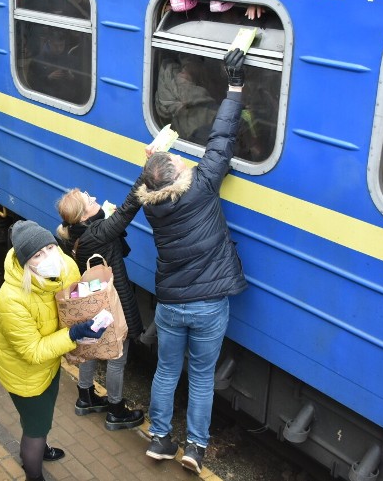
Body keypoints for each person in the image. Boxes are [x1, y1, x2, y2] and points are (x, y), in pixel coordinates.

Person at [137, 49, 249, 475]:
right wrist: (235, 87)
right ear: (177, 176)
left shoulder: (151, 205)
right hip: (208, 304)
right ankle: (195, 449)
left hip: (171, 304)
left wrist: (151, 163)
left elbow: (146, 184)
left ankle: (161, 439)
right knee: (201, 378)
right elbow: (220, 141)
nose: (186, 162)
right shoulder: (202, 188)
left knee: (167, 370)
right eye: (180, 163)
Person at [0, 220, 106, 481]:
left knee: (42, 418)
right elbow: (32, 352)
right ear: (25, 262)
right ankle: (33, 472)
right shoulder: (11, 300)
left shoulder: (63, 265)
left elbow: (75, 297)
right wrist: (74, 334)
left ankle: (40, 447)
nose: (49, 257)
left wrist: (94, 301)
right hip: (25, 374)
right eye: (37, 255)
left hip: (49, 363)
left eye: (50, 247)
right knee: (35, 428)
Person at [55, 176, 146, 431]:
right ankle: (116, 411)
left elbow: (98, 226)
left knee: (90, 346)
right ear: (84, 216)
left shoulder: (72, 233)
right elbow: (130, 207)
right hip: (112, 302)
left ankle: (85, 397)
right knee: (116, 354)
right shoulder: (99, 233)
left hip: (90, 302)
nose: (92, 197)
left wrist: (102, 215)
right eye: (88, 200)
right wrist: (148, 172)